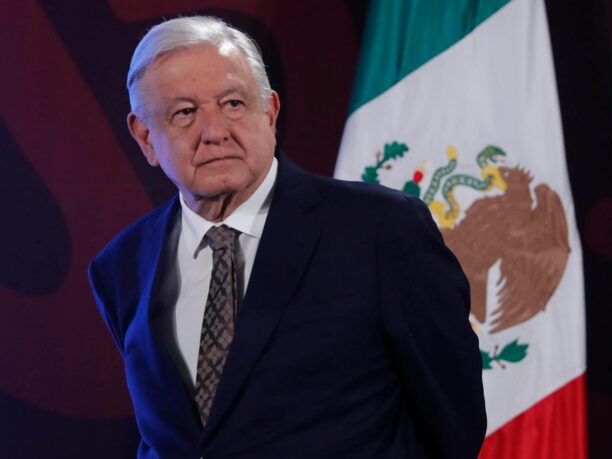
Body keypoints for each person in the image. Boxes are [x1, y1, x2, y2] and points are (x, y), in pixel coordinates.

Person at [89, 15, 486, 459]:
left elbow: (454, 422)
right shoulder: (122, 266)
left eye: (233, 103)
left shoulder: (381, 230)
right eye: (185, 112)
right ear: (145, 137)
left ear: (270, 112)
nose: (215, 132)